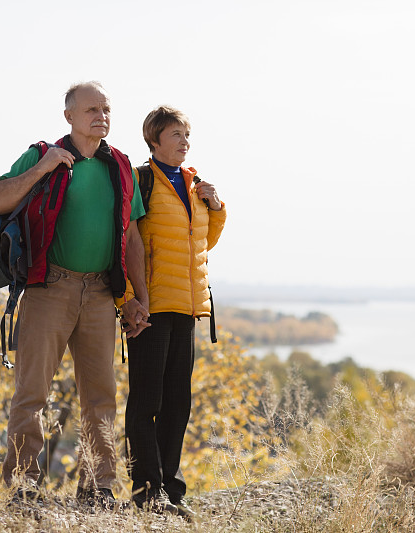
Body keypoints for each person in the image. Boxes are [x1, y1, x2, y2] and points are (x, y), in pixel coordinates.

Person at [0, 81, 150, 509]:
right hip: (49, 288)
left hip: (101, 292)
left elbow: (132, 236)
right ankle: (24, 487)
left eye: (107, 109)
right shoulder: (40, 155)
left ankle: (98, 489)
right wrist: (43, 169)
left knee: (101, 397)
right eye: (92, 109)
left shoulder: (121, 166)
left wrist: (138, 298)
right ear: (70, 117)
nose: (101, 116)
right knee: (32, 392)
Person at [120, 106, 226, 518]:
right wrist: (129, 298)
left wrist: (214, 208)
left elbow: (202, 245)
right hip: (151, 307)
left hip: (187, 307)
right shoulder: (141, 180)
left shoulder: (194, 184)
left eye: (187, 134)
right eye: (176, 134)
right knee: (146, 400)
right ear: (154, 140)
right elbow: (125, 240)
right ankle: (147, 492)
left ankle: (170, 489)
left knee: (178, 401)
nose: (184, 141)